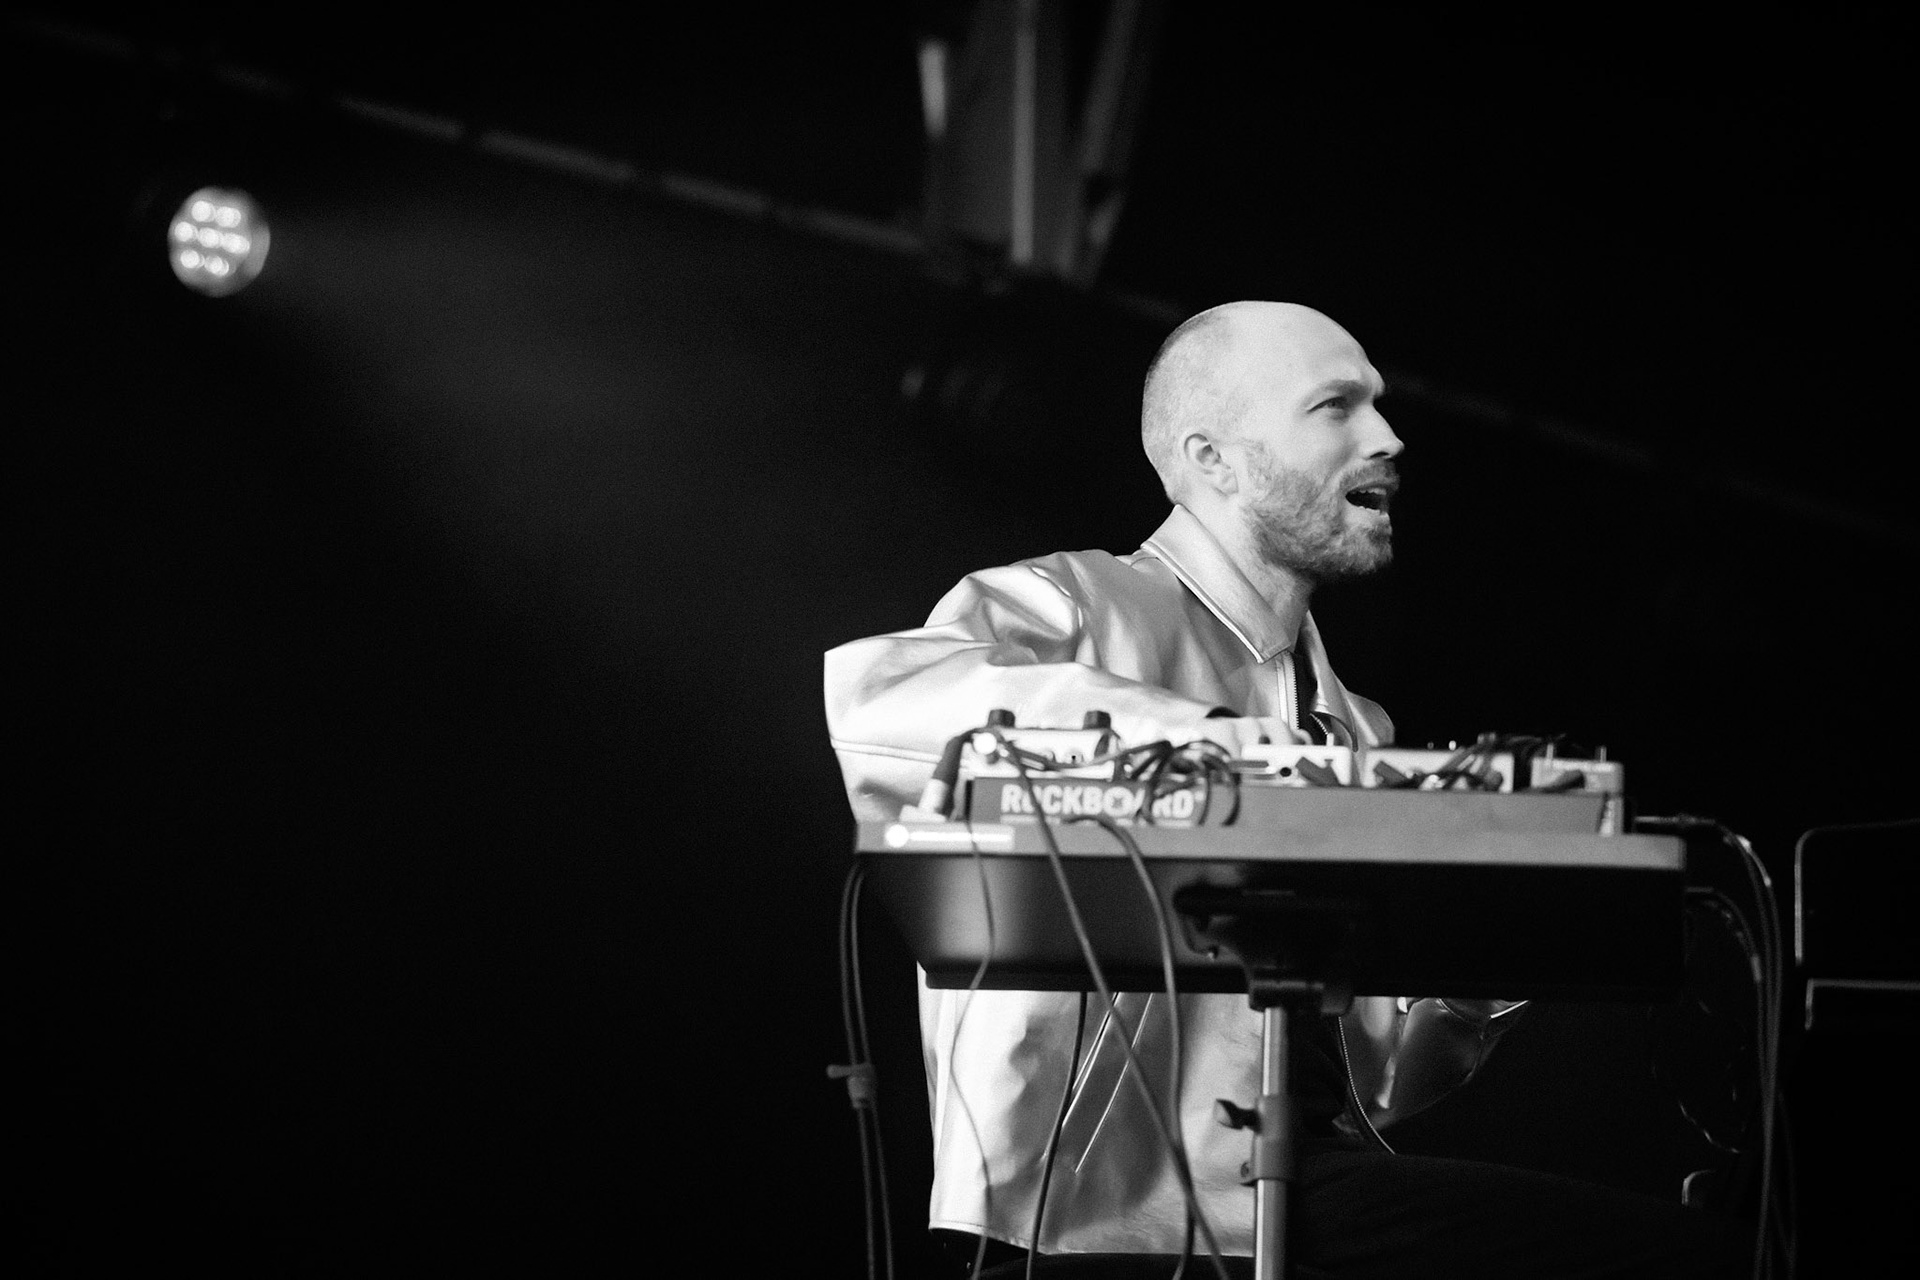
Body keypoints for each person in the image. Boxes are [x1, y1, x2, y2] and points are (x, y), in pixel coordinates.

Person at [823, 302, 1747, 1277]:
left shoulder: (1357, 728)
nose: (1387, 438)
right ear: (1214, 457)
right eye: (1335, 406)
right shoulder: (1066, 605)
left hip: (1297, 1183)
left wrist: (1501, 929)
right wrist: (1219, 749)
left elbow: (1378, 1070)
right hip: (1101, 1221)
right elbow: (887, 701)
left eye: (1378, 407)